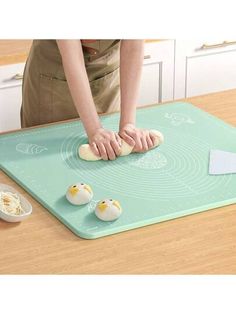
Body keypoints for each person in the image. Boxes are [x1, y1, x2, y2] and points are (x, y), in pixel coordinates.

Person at [21, 40, 157, 160]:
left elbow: (133, 47)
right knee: (49, 163)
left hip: (106, 76)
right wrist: (95, 130)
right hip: (54, 78)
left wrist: (128, 124)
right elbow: (72, 57)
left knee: (109, 153)